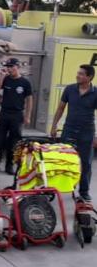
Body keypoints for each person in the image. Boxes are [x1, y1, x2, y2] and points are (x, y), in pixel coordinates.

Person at [51, 65, 97, 201]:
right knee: (64, 159)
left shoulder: (96, 92)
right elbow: (60, 108)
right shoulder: (70, 89)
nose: (77, 75)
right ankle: (62, 187)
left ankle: (84, 191)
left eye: (81, 74)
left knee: (86, 163)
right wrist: (54, 126)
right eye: (78, 73)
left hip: (86, 131)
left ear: (89, 77)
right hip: (69, 129)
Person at [0, 58, 33, 174]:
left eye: (12, 67)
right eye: (8, 67)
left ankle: (9, 165)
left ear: (17, 67)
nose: (10, 69)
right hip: (4, 113)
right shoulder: (6, 79)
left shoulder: (25, 83)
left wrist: (27, 116)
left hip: (17, 115)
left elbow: (29, 100)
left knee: (13, 142)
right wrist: (2, 75)